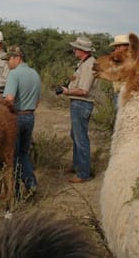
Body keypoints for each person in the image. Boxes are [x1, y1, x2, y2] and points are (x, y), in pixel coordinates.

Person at [2, 45, 41, 196]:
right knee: (24, 153)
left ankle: (15, 192)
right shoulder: (35, 73)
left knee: (13, 155)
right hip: (30, 116)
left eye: (9, 59)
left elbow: (9, 99)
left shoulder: (14, 74)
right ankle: (31, 185)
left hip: (16, 116)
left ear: (17, 58)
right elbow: (37, 100)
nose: (7, 63)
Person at [60, 36, 98, 183]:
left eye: (76, 48)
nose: (74, 50)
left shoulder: (89, 65)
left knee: (81, 138)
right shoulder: (84, 63)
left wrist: (67, 91)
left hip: (81, 104)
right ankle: (77, 166)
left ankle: (83, 173)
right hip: (78, 104)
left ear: (82, 50)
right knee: (75, 136)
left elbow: (83, 90)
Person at [109, 35, 130, 110]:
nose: (116, 48)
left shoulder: (132, 59)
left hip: (127, 94)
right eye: (116, 46)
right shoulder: (116, 59)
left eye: (119, 46)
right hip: (117, 93)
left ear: (127, 46)